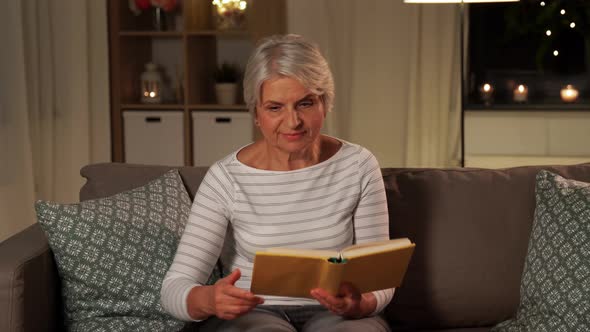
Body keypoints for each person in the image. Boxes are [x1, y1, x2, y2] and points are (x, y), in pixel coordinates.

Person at [160, 34, 393, 332]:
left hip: (337, 315)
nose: (293, 121)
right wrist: (209, 299)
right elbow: (174, 288)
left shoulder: (359, 165)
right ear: (256, 113)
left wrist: (361, 304)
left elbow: (381, 279)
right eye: (274, 107)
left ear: (325, 102)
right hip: (255, 312)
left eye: (305, 103)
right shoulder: (226, 177)